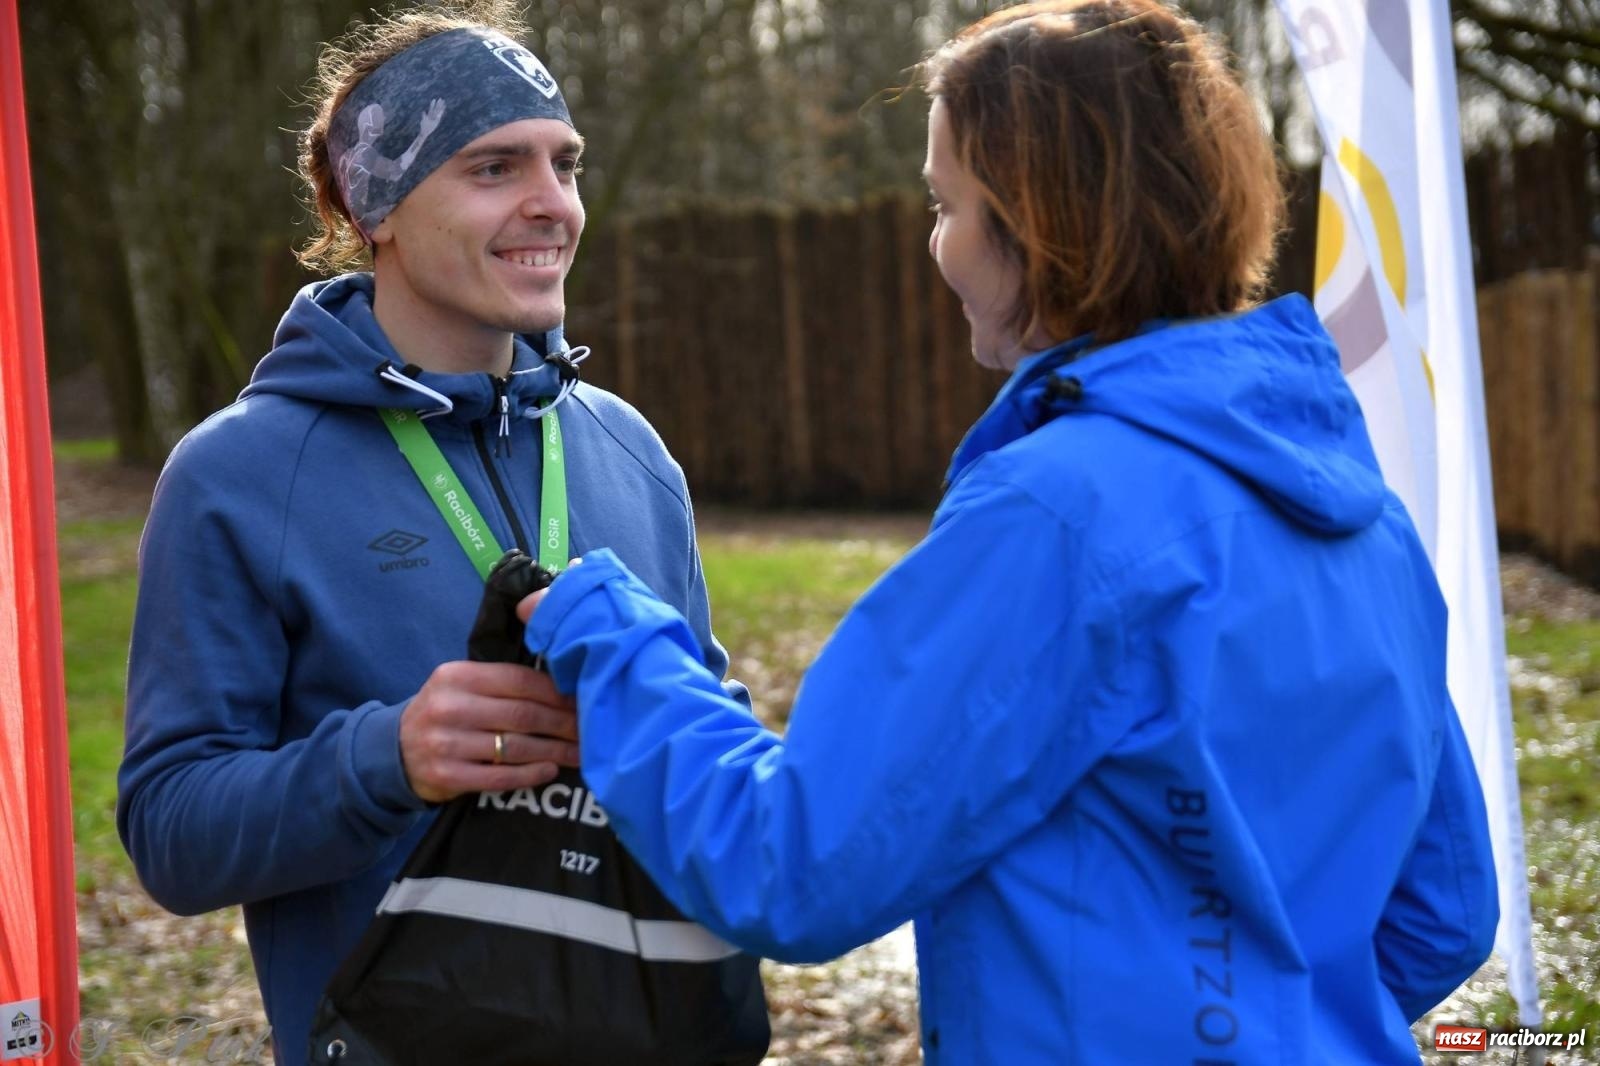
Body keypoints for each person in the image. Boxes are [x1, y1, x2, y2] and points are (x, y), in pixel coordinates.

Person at [515, 1, 1500, 1062]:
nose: (936, 246)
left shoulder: (1060, 517)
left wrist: (607, 633)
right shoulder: (1360, 511)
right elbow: (1444, 908)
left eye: (947, 205)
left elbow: (791, 863)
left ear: (1039, 223)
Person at [116, 3, 747, 1063]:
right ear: (380, 208)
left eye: (567, 164)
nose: (555, 206)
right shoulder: (238, 475)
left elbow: (714, 742)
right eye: (495, 168)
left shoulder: (629, 448)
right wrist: (387, 757)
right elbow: (173, 832)